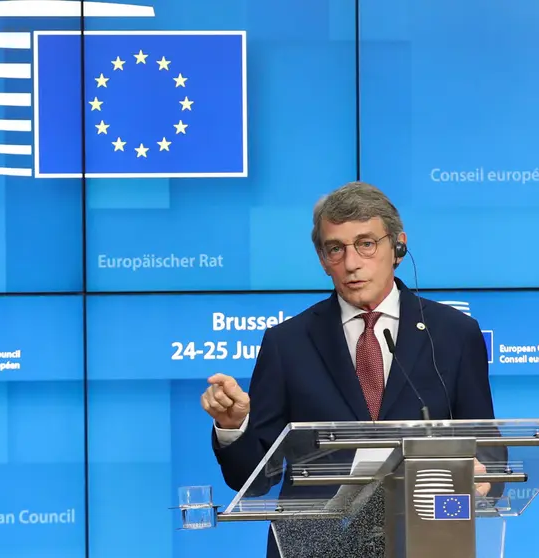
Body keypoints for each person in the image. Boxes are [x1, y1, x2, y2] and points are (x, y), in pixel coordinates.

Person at [201, 181, 500, 556]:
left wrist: (483, 477)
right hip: (312, 548)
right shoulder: (287, 343)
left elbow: (491, 453)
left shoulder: (454, 334)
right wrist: (233, 428)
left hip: (428, 541)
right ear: (322, 259)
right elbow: (253, 480)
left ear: (398, 246)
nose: (352, 263)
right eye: (335, 249)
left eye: (366, 244)